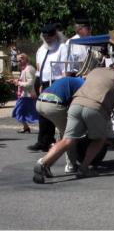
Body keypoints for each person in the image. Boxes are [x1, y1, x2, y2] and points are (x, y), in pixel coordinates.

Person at [33, 62, 114, 183]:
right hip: (95, 108)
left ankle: (42, 163)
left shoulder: (94, 71)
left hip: (76, 104)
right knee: (99, 139)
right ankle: (83, 169)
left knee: (67, 140)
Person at [27, 23, 69, 152]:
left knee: (55, 112)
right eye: (45, 37)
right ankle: (44, 141)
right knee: (43, 113)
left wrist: (61, 86)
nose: (47, 40)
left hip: (57, 83)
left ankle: (64, 139)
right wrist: (38, 85)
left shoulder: (62, 48)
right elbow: (40, 69)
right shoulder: (41, 49)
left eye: (49, 37)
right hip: (44, 83)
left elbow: (65, 70)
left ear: (55, 35)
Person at [36, 76, 85, 174]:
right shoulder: (83, 84)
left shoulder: (70, 80)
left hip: (40, 102)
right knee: (70, 136)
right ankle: (70, 166)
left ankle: (50, 159)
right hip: (53, 105)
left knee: (62, 134)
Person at [11, 53, 39, 133]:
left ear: (26, 59)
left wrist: (19, 83)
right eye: (18, 61)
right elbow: (25, 81)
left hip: (27, 95)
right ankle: (25, 127)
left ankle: (47, 126)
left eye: (20, 60)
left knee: (19, 112)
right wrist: (16, 81)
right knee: (25, 112)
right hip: (25, 95)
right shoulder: (25, 69)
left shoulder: (29, 69)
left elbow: (30, 83)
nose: (19, 62)